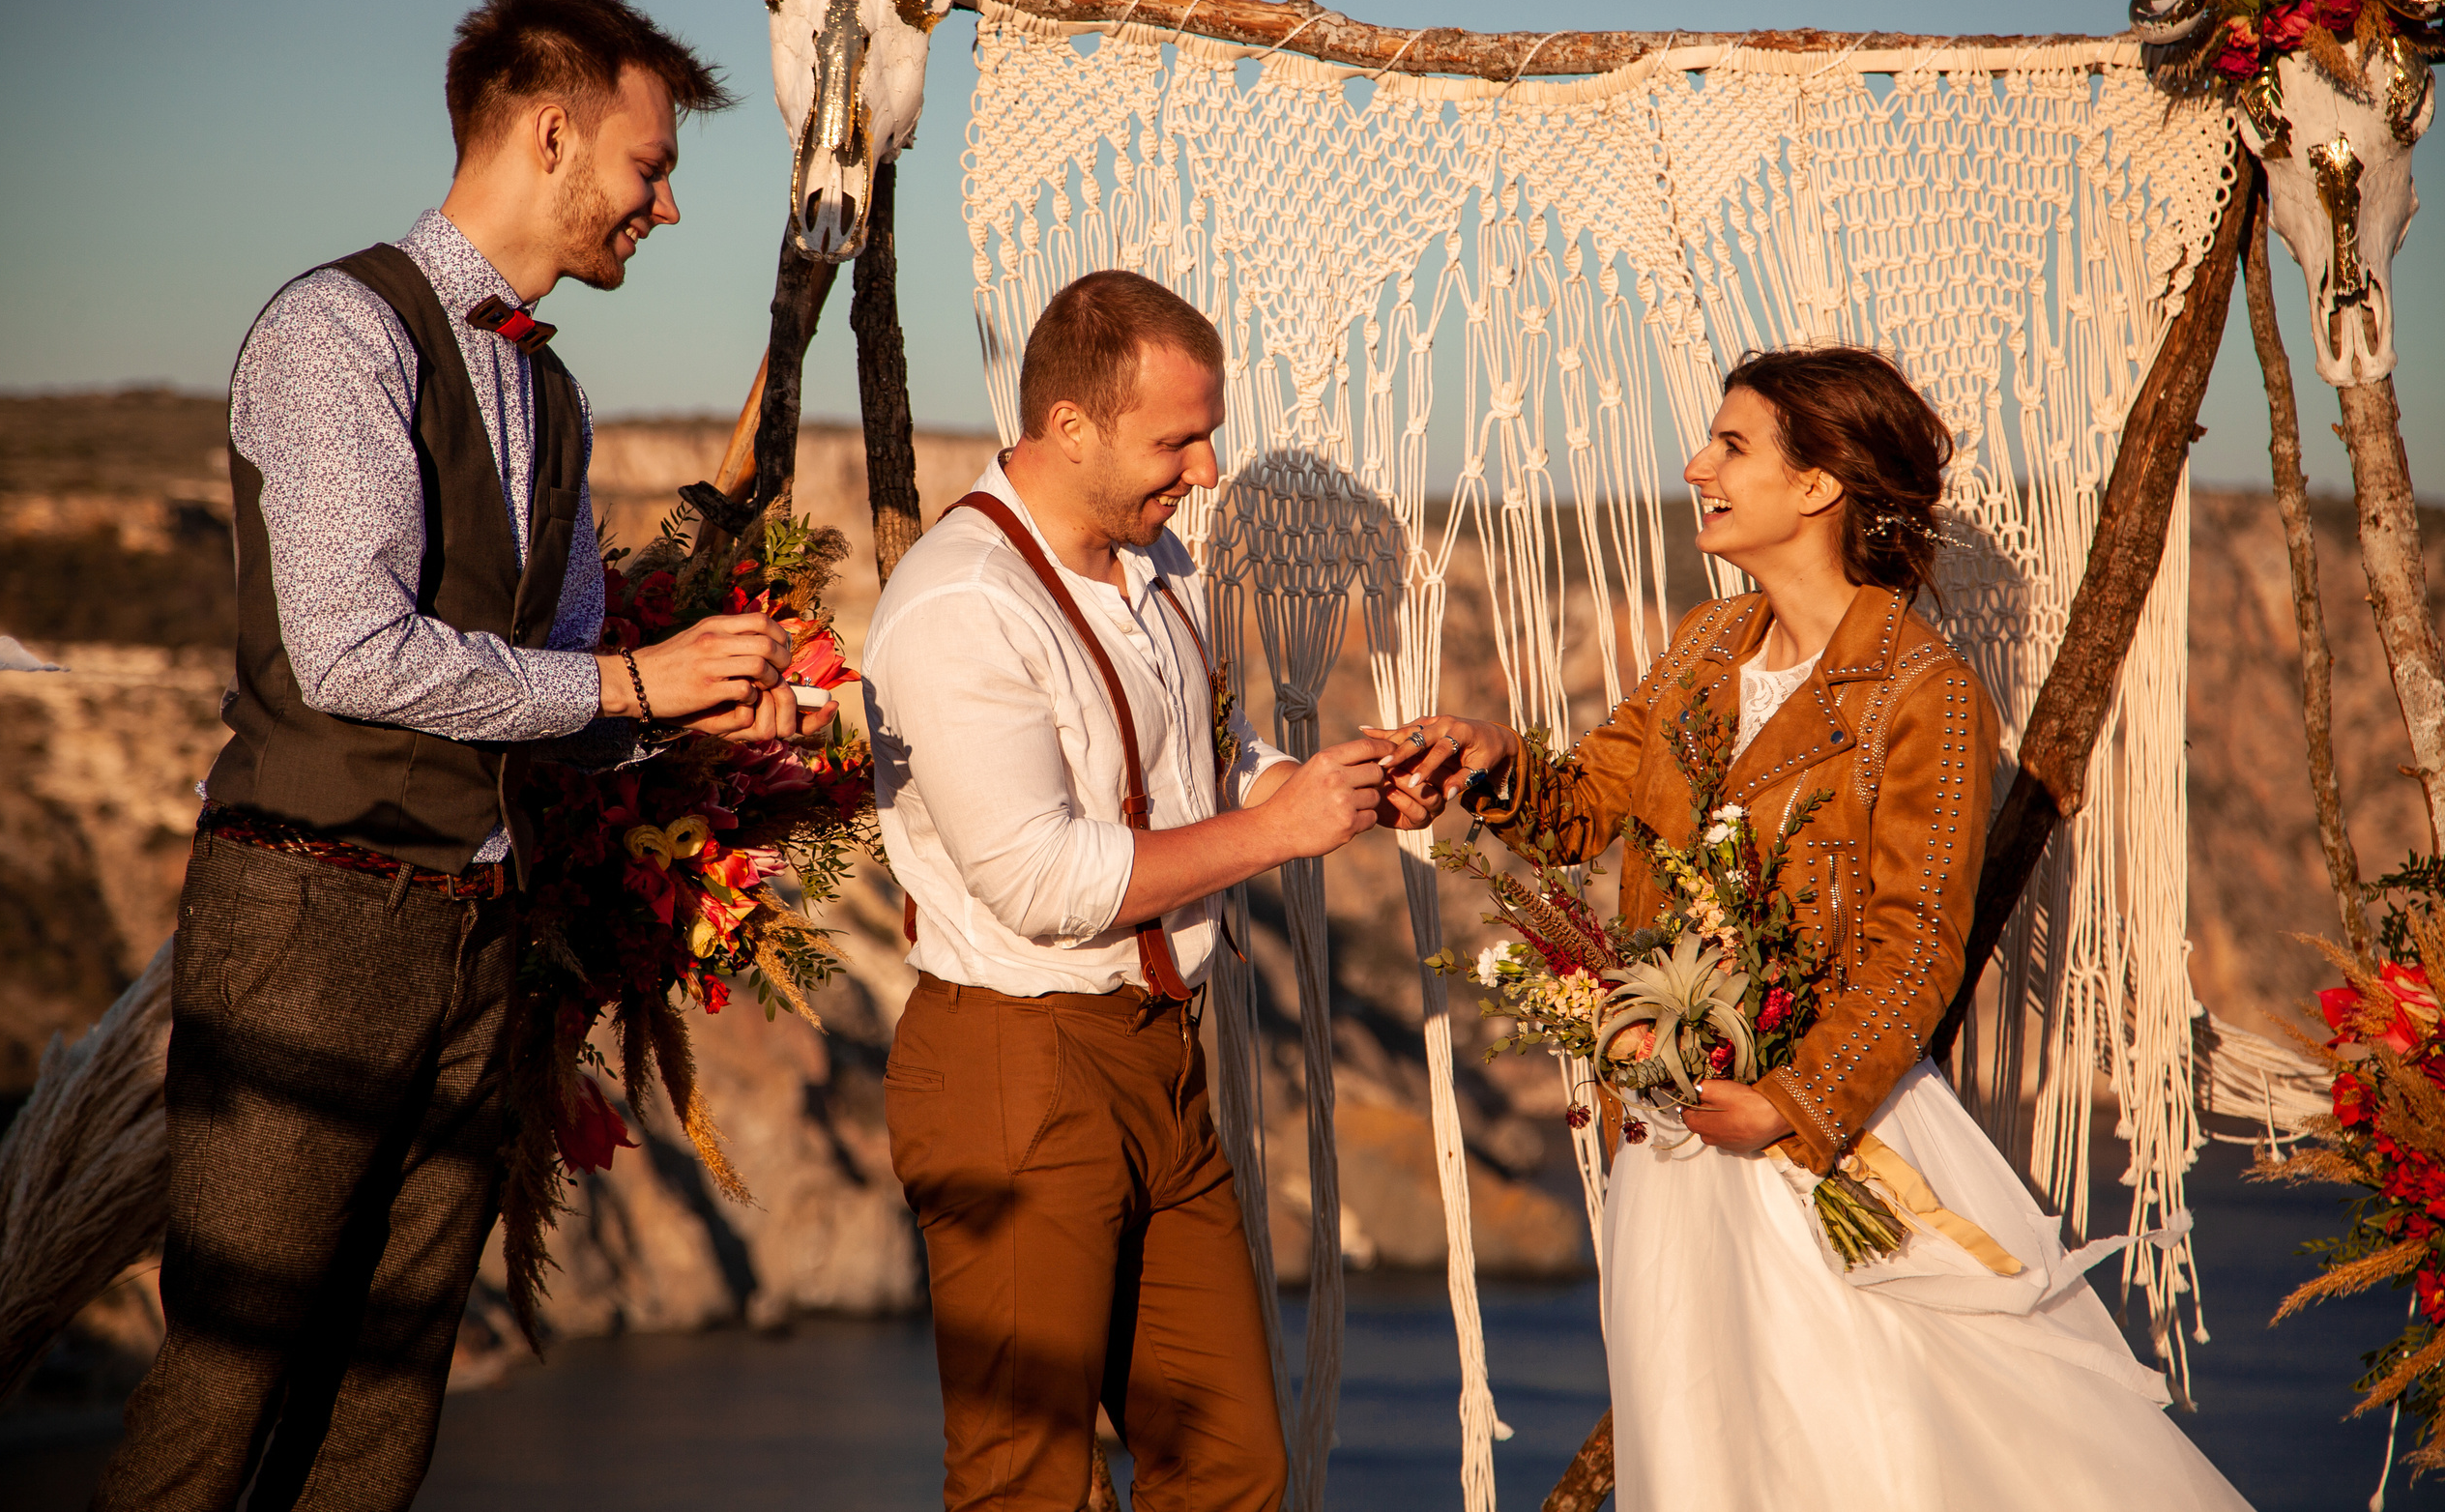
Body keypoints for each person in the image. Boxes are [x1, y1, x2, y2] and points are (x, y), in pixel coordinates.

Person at [93, 0, 827, 1512]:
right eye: (654, 166)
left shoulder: (548, 388)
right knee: (226, 1386)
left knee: (381, 1412)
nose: (669, 208)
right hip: (307, 922)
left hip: (471, 945)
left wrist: (692, 714)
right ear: (553, 133)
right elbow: (356, 653)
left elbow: (546, 688)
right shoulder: (333, 331)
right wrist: (636, 689)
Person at [1382, 347, 2252, 1509]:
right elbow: (1584, 810)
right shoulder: (1704, 650)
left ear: (1819, 485)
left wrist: (1788, 1110)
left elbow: (1915, 945)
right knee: (1699, 1462)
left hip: (1817, 1144)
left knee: (1859, 1457)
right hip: (1673, 1145)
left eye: (1731, 447)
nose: (1696, 467)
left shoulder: (1923, 691)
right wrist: (1493, 764)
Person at [860, 270, 1416, 1511]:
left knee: (1229, 1467)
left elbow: (1189, 774)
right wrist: (1279, 834)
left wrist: (1332, 784)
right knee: (1027, 1484)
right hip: (1019, 1067)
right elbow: (1044, 881)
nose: (1208, 469)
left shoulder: (1149, 566)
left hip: (1163, 1056)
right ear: (1071, 427)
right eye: (1179, 438)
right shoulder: (962, 605)